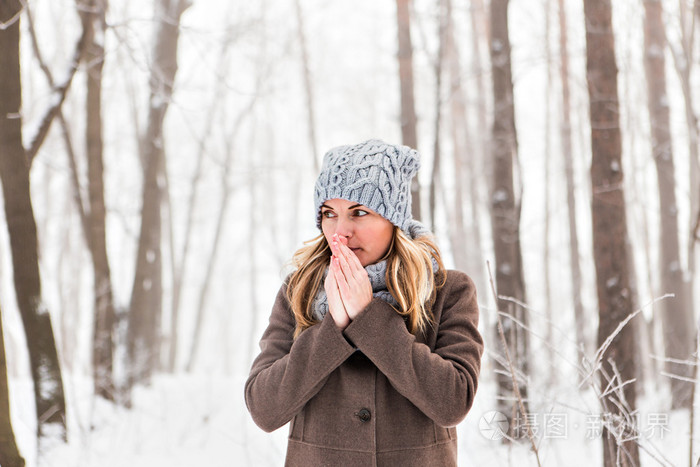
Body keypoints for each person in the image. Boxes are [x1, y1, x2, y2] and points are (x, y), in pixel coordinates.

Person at [244, 139, 483, 466]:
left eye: (359, 212)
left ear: (394, 220)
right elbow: (264, 409)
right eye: (329, 214)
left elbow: (452, 402)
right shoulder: (299, 289)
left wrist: (368, 317)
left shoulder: (447, 290)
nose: (340, 231)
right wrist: (334, 329)